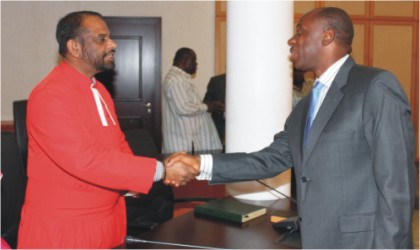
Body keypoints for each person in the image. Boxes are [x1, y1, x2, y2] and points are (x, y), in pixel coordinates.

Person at [164, 7, 416, 249]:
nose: (291, 40)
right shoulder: (305, 106)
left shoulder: (374, 86)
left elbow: (396, 184)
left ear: (327, 36)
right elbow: (268, 160)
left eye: (299, 31)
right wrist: (199, 165)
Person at [17, 11, 195, 249]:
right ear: (74, 47)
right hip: (67, 229)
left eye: (109, 38)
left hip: (109, 220)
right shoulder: (50, 95)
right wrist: (160, 170)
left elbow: (117, 143)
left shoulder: (99, 90)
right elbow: (85, 160)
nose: (113, 44)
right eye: (102, 39)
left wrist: (135, 178)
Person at [162, 48, 224, 154]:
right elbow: (183, 108)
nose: (196, 64)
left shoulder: (179, 79)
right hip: (183, 143)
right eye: (194, 61)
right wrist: (208, 106)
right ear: (184, 61)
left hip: (187, 141)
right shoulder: (176, 81)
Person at [203, 73, 226, 145]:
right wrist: (216, 106)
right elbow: (206, 103)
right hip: (219, 128)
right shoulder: (216, 81)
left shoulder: (248, 80)